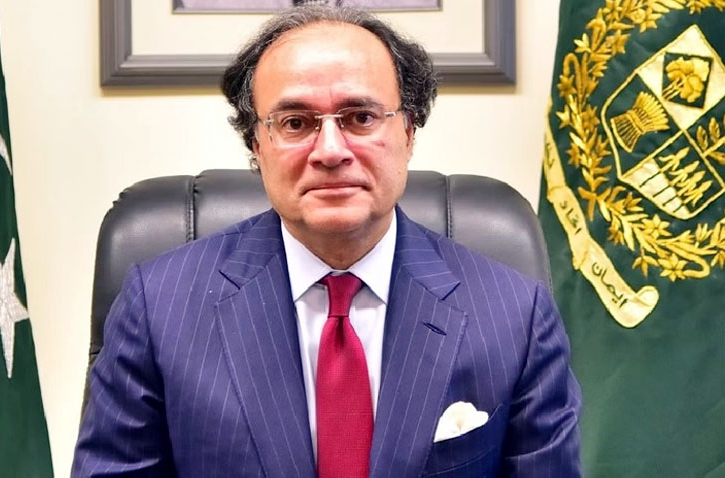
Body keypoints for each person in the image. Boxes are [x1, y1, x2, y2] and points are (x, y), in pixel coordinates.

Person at [73, 5, 581, 477]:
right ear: (257, 145)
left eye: (361, 117)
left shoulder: (516, 316)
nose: (331, 150)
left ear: (409, 132)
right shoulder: (158, 309)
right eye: (295, 123)